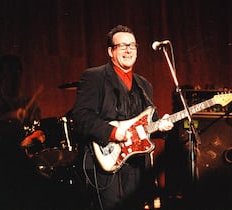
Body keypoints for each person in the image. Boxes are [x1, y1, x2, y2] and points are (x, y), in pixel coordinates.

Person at [72, 25, 174, 210]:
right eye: (123, 46)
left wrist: (163, 126)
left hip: (136, 166)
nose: (129, 50)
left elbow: (150, 122)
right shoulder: (94, 77)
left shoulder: (144, 84)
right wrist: (112, 132)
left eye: (133, 46)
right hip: (104, 164)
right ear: (111, 51)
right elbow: (81, 117)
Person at [0, 54, 46, 209]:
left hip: (23, 158)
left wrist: (36, 136)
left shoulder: (29, 101)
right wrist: (13, 115)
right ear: (0, 75)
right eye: (10, 70)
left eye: (17, 71)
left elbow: (38, 131)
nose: (14, 75)